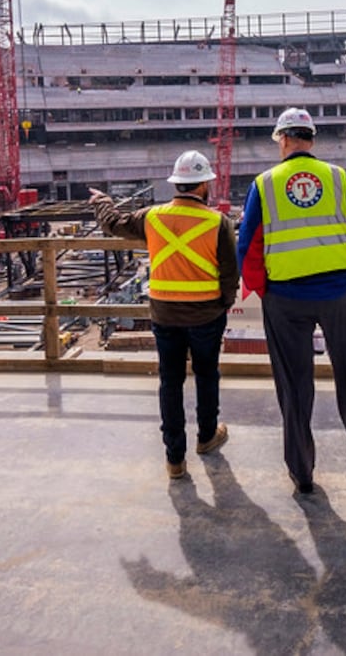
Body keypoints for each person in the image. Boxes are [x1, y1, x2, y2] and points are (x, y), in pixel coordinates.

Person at [237, 107, 346, 494]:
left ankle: (302, 470)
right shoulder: (336, 177)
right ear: (311, 139)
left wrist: (260, 287)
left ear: (283, 139)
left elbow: (248, 246)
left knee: (294, 383)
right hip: (337, 291)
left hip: (285, 297)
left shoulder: (264, 184)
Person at [90, 149, 238, 480]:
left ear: (178, 184)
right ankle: (207, 436)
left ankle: (174, 459)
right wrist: (222, 304)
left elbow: (113, 223)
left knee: (170, 382)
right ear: (202, 186)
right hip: (206, 316)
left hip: (165, 315)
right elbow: (229, 273)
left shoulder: (152, 216)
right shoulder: (219, 222)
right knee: (206, 375)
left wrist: (102, 200)